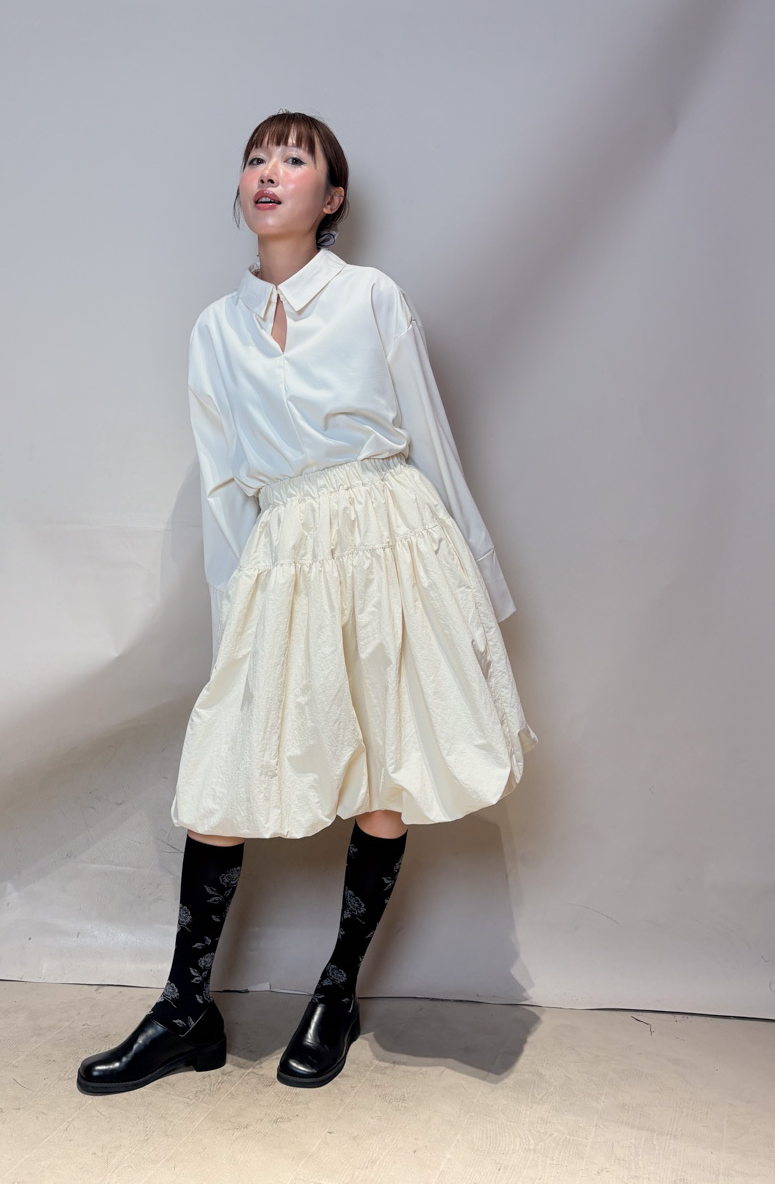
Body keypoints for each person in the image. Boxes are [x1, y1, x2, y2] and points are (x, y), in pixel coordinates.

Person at [77, 110, 538, 1096]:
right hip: (284, 550)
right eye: (256, 156)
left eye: (293, 157)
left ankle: (337, 990)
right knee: (221, 781)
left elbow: (431, 441)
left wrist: (476, 595)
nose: (268, 170)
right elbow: (222, 487)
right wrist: (232, 623)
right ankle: (184, 1010)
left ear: (330, 197)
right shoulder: (215, 329)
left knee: (382, 774)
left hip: (389, 537)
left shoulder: (371, 297)